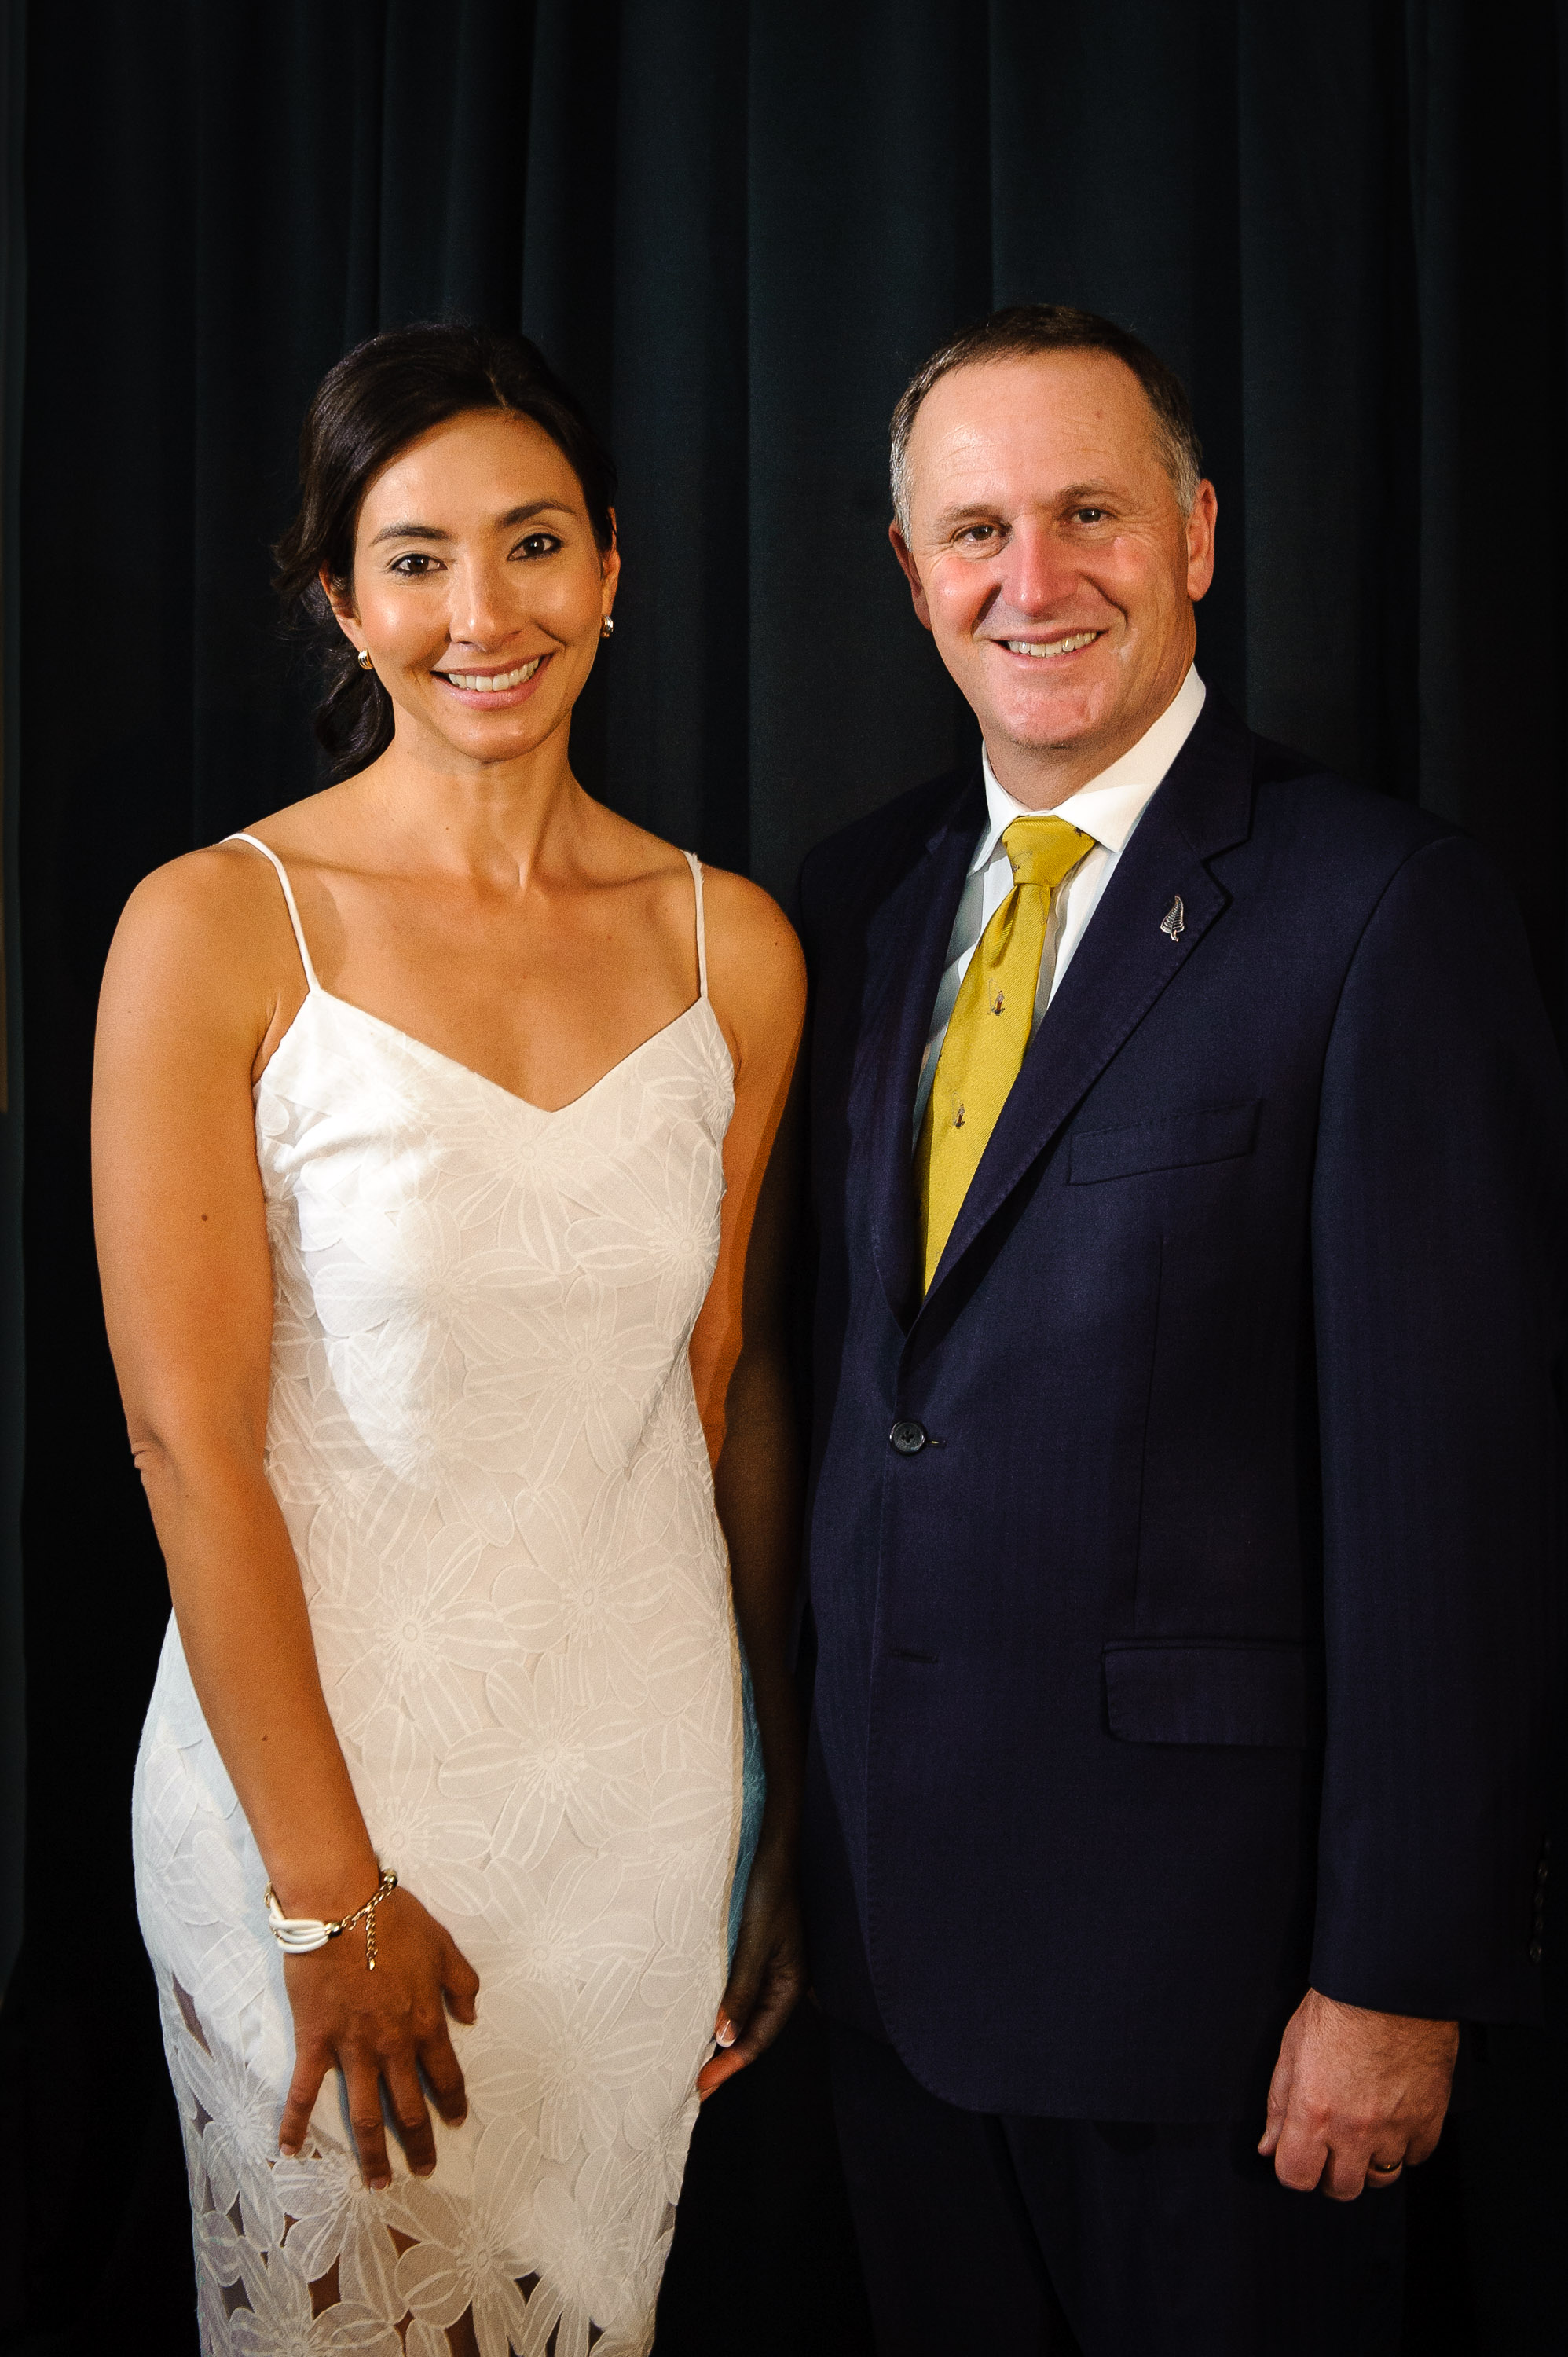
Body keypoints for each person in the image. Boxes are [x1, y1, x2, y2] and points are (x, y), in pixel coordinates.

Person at [795, 304, 1567, 2355]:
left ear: (1198, 534)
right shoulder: (847, 909)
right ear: (908, 570)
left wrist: (1399, 1975)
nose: (1031, 580)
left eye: (1091, 514)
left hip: (1223, 2013)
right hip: (890, 1968)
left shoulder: (1376, 910)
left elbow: (1455, 1505)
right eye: (975, 531)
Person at [93, 323, 806, 2357]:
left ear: (612, 568)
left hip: (639, 1801)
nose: (483, 613)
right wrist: (328, 1894)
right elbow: (186, 1441)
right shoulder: (214, 925)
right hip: (317, 1796)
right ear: (340, 596)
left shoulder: (732, 946)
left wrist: (775, 1813)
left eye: (534, 543)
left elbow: (719, 1391)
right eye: (415, 559)